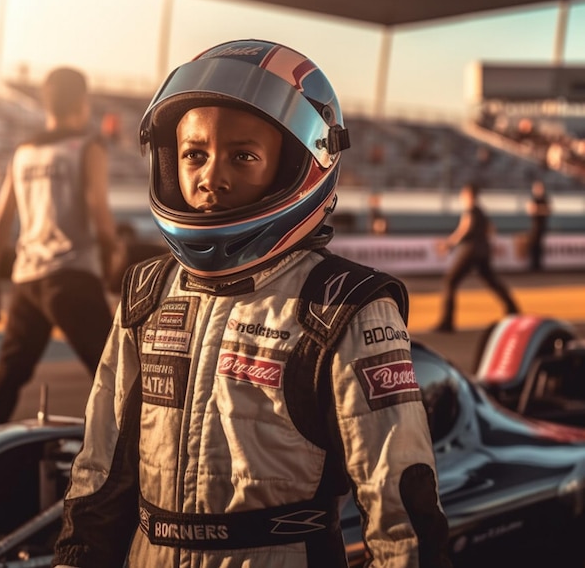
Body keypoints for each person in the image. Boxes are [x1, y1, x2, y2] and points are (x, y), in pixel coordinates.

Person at [52, 39, 451, 568]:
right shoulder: (147, 293)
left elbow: (401, 514)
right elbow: (99, 474)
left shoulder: (345, 306)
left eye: (243, 156)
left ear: (302, 164)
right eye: (194, 154)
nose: (211, 177)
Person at [0, 67, 122, 432]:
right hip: (71, 276)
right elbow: (101, 218)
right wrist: (113, 263)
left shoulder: (23, 152)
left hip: (27, 282)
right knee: (116, 374)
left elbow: (0, 223)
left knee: (8, 378)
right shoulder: (89, 147)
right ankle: (122, 466)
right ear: (82, 102)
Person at [433, 182, 519, 333]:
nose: (461, 197)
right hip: (483, 251)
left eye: (462, 194)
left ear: (468, 195)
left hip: (471, 251)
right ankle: (513, 309)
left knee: (450, 281)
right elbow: (491, 229)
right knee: (492, 282)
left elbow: (464, 230)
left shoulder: (470, 211)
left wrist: (448, 244)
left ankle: (447, 322)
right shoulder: (481, 211)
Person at [526, 179, 550, 271]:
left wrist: (538, 210)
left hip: (542, 226)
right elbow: (531, 210)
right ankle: (533, 265)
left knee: (539, 246)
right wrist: (541, 210)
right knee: (533, 245)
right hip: (534, 227)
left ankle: (538, 265)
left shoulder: (545, 199)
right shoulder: (533, 199)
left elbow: (548, 210)